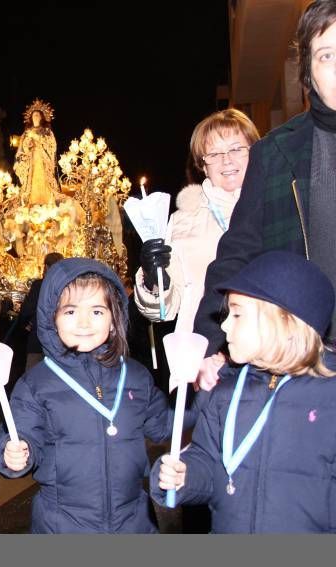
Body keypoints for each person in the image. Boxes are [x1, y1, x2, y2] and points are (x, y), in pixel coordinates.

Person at [0, 258, 196, 533]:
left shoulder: (136, 376)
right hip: (62, 524)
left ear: (114, 319)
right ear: (51, 318)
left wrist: (202, 397)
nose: (85, 323)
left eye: (98, 312)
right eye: (71, 312)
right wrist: (15, 452)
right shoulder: (36, 384)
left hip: (133, 520)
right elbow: (21, 432)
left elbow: (164, 425)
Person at [194, 1, 336, 386]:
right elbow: (236, 255)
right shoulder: (275, 155)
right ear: (309, 72)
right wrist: (209, 346)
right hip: (306, 364)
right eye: (327, 55)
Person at [152, 251, 336, 532]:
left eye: (237, 313)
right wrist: (185, 476)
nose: (224, 324)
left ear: (286, 321)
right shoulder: (226, 391)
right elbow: (208, 462)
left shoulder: (328, 397)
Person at [135, 109, 259, 334]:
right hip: (204, 349)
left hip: (271, 344)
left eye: (236, 148)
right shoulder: (184, 219)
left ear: (255, 152)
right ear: (203, 165)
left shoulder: (277, 205)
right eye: (214, 154)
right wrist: (155, 280)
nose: (226, 160)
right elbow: (165, 311)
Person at [18, 252, 64, 370]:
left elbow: (27, 309)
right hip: (59, 343)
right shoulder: (67, 286)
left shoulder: (39, 285)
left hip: (37, 341)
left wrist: (26, 324)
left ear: (46, 267)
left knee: (33, 378)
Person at [14, 99, 60, 207]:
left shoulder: (47, 131)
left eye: (38, 115)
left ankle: (46, 201)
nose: (35, 117)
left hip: (43, 159)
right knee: (31, 180)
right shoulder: (26, 132)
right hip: (30, 160)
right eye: (34, 115)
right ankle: (32, 202)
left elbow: (52, 145)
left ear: (42, 117)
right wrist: (26, 148)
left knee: (43, 179)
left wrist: (36, 137)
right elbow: (22, 147)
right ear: (31, 118)